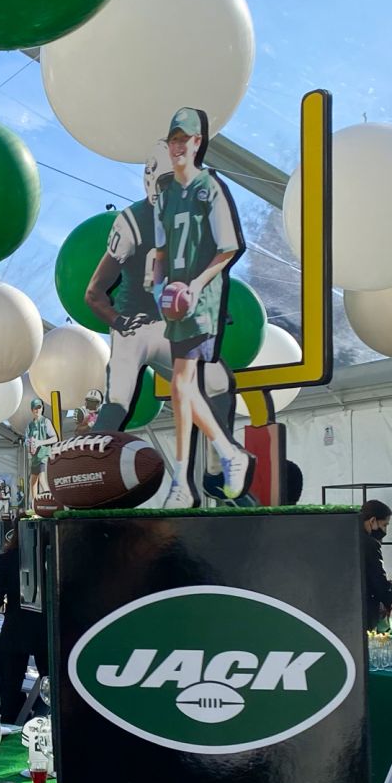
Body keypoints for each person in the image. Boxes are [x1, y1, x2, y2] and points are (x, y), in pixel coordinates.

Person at [140, 108, 252, 507]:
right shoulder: (166, 194)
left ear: (197, 142)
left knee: (182, 384)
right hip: (175, 301)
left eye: (184, 139)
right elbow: (161, 251)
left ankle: (188, 479)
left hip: (201, 299)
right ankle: (218, 459)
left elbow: (228, 248)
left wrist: (195, 285)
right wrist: (159, 286)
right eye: (173, 140)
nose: (177, 147)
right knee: (181, 388)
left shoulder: (210, 188)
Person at [0, 522, 46, 691]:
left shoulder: (6, 559)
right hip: (47, 632)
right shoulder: (52, 556)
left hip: (15, 629)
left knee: (9, 689)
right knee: (52, 687)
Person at [359, 499, 392, 630]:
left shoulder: (347, 537)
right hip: (366, 607)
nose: (385, 530)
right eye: (384, 525)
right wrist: (389, 602)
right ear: (372, 521)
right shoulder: (370, 544)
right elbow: (377, 577)